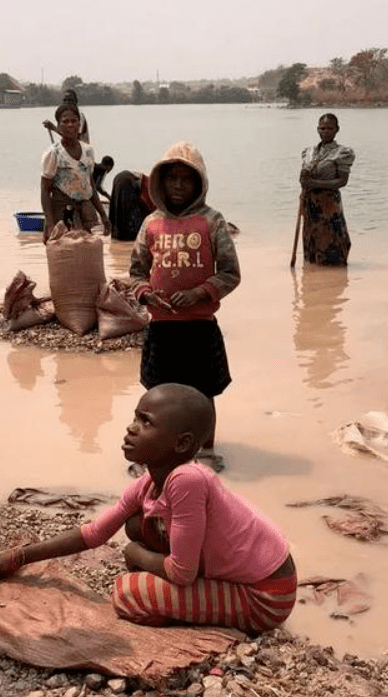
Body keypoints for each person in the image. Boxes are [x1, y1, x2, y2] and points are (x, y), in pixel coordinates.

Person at [0, 383, 297, 634]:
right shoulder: (149, 483)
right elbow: (93, 533)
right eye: (135, 417)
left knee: (127, 595)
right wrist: (17, 557)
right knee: (135, 525)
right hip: (243, 574)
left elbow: (183, 575)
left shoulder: (187, 479)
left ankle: (207, 614)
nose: (131, 428)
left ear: (181, 444)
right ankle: (199, 602)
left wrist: (134, 556)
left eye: (146, 422)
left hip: (267, 597)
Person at [130, 141, 240, 472]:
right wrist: (146, 293)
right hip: (162, 327)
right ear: (160, 183)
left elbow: (231, 274)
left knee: (203, 392)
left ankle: (205, 453)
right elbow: (136, 271)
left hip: (200, 326)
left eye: (186, 179)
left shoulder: (212, 221)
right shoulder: (151, 223)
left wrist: (199, 293)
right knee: (157, 394)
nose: (178, 185)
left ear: (198, 183)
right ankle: (153, 453)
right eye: (172, 178)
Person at [40, 103, 110, 243]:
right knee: (65, 255)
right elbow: (45, 190)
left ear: (79, 124)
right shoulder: (53, 153)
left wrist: (103, 214)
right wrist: (50, 223)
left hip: (83, 211)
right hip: (62, 212)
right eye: (65, 122)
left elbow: (90, 185)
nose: (70, 125)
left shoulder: (88, 151)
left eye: (74, 121)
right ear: (59, 126)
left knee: (84, 255)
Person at [299, 113, 355, 266]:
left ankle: (334, 281)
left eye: (330, 128)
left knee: (331, 243)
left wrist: (314, 182)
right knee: (312, 243)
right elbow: (304, 180)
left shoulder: (342, 153)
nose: (325, 131)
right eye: (322, 128)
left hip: (329, 205)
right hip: (310, 204)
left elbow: (342, 181)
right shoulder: (308, 152)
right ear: (317, 129)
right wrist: (304, 182)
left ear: (337, 130)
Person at [109, 169, 155, 240]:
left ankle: (117, 237)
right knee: (129, 216)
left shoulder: (153, 185)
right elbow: (146, 205)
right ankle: (127, 239)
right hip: (128, 180)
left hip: (120, 177)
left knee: (117, 210)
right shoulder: (154, 191)